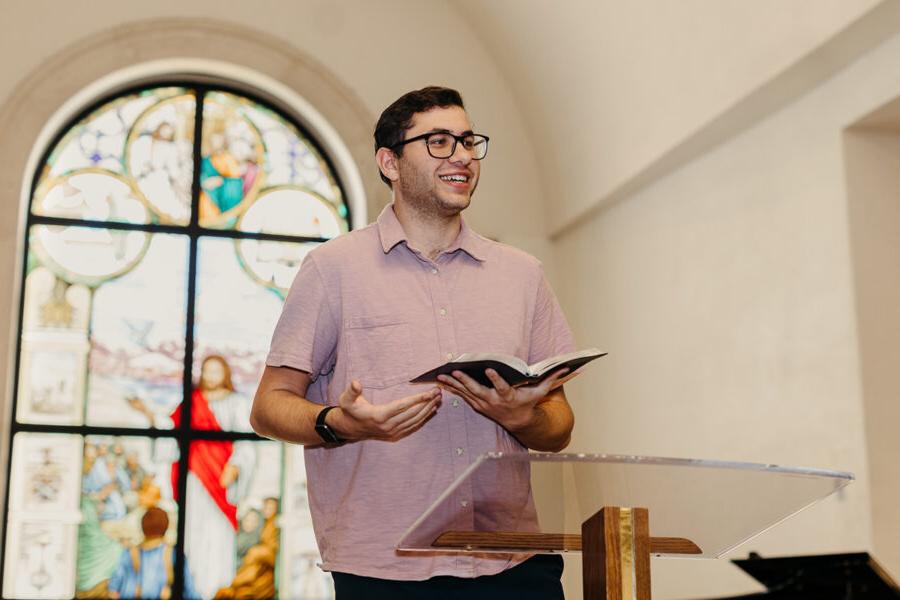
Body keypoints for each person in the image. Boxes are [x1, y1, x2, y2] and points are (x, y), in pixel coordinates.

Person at [251, 86, 576, 599]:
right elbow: (268, 408)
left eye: (469, 141)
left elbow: (559, 427)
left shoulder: (523, 275)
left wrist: (525, 417)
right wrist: (338, 422)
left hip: (513, 564)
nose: (464, 157)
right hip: (386, 571)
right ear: (390, 162)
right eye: (441, 142)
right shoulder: (331, 270)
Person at [128, 355, 257, 599]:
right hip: (194, 477)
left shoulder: (236, 403)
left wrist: (236, 466)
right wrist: (148, 414)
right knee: (193, 530)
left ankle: (217, 587)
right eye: (207, 371)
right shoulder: (191, 402)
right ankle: (191, 587)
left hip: (221, 480)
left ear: (226, 374)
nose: (211, 376)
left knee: (219, 531)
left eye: (216, 371)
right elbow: (171, 428)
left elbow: (246, 442)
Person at [108, 507, 199, 599]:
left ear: (142, 526)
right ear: (166, 526)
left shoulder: (129, 552)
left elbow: (113, 589)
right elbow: (190, 591)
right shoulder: (174, 554)